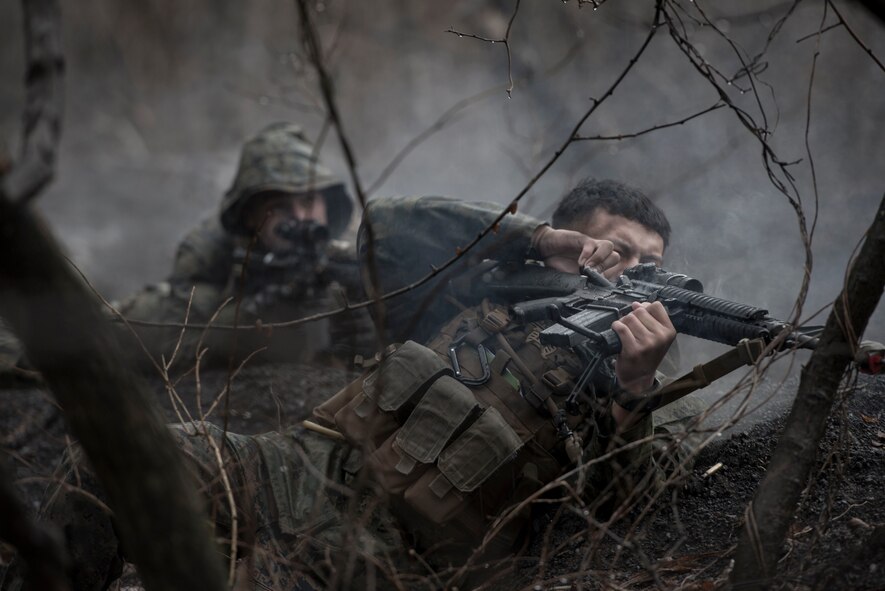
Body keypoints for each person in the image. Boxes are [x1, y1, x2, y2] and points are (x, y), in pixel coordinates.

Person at [1, 181, 704, 591]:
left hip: (386, 558)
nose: (632, 270)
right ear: (572, 242)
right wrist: (532, 236)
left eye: (650, 262)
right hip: (296, 467)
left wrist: (632, 389)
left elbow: (626, 508)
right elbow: (390, 225)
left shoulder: (640, 372)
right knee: (122, 464)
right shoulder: (482, 282)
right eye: (616, 248)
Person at [116, 122, 375, 368]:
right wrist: (249, 316)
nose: (299, 218)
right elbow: (155, 325)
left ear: (327, 205)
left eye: (308, 202)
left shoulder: (352, 245)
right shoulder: (211, 252)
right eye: (280, 208)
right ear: (251, 217)